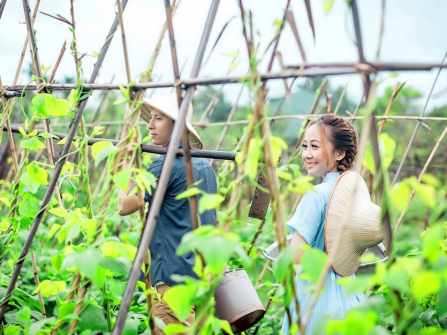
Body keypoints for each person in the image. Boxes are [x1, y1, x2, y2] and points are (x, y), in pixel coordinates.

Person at [118, 93, 217, 334]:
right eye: (150, 118)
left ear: (177, 125)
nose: (150, 125)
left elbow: (125, 205)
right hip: (200, 278)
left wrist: (126, 162)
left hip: (172, 281)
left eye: (159, 118)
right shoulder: (204, 165)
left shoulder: (167, 163)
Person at [282, 115, 381, 334]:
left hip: (316, 298)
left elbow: (296, 254)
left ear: (339, 153)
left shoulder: (315, 196)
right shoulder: (353, 192)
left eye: (315, 147)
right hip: (349, 294)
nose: (307, 154)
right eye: (305, 146)